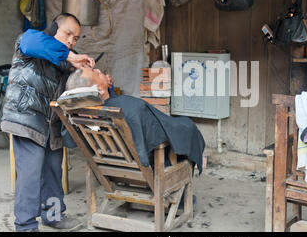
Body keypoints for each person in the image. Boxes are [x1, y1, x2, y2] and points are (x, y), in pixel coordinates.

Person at [1, 13, 95, 232]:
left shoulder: (64, 62)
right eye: (68, 33)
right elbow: (34, 42)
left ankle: (53, 216)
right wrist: (71, 56)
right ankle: (25, 226)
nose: (72, 41)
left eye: (76, 38)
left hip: (51, 125)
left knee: (54, 173)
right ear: (53, 29)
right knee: (30, 176)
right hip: (26, 120)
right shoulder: (29, 41)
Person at [63, 68, 206, 177]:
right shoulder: (128, 108)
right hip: (138, 164)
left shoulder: (81, 116)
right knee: (183, 128)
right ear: (99, 90)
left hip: (112, 167)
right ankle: (176, 195)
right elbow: (154, 134)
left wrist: (108, 88)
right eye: (98, 73)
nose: (100, 71)